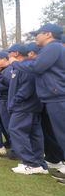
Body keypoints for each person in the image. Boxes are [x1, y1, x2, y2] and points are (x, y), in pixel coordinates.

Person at [10, 23, 65, 184]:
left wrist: (14, 62)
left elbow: (36, 66)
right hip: (53, 97)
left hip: (58, 96)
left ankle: (34, 163)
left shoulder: (53, 47)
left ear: (48, 34)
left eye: (38, 34)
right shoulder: (53, 48)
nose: (36, 37)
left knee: (63, 134)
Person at [6, 43, 47, 175]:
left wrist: (15, 101)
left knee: (16, 129)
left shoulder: (25, 66)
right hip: (30, 106)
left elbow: (27, 87)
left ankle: (30, 163)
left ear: (16, 53)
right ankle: (39, 163)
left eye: (10, 52)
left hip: (24, 106)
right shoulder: (23, 66)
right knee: (34, 134)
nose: (8, 55)